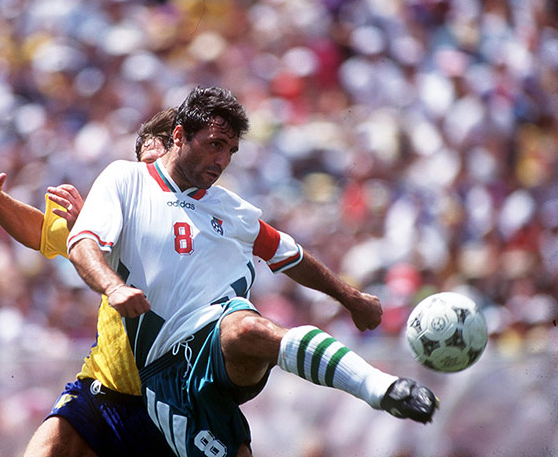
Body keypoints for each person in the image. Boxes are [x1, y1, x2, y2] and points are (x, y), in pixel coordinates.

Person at [66, 86, 438, 457]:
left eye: (230, 150)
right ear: (179, 135)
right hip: (168, 371)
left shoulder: (233, 211)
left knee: (248, 327)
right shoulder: (126, 180)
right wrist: (113, 287)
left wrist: (351, 298)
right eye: (215, 144)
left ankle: (382, 388)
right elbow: (83, 243)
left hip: (220, 340)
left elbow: (291, 256)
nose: (223, 159)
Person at [0, 109, 178, 457]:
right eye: (145, 164)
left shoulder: (202, 228)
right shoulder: (115, 212)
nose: (150, 174)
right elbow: (40, 232)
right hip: (103, 388)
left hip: (169, 405)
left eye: (160, 163)